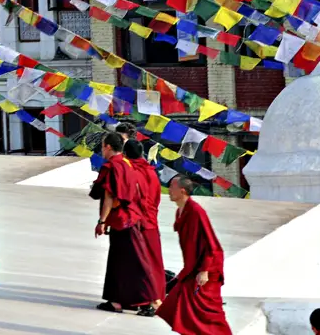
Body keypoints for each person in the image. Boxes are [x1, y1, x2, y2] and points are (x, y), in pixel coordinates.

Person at [90, 132, 159, 315]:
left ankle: (148, 303)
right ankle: (115, 301)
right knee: (117, 261)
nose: (102, 149)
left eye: (103, 145)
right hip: (130, 217)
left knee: (137, 262)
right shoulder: (128, 164)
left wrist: (101, 221)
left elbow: (109, 196)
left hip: (124, 220)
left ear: (108, 147)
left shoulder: (112, 166)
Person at [157, 176, 232, 335]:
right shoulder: (180, 211)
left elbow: (210, 244)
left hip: (208, 266)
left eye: (172, 187)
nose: (169, 190)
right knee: (177, 305)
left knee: (209, 313)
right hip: (193, 266)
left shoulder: (196, 211)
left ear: (182, 191)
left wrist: (204, 270)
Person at [123, 139, 165, 311]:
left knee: (140, 263)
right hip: (152, 221)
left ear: (125, 154)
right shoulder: (151, 171)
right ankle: (155, 298)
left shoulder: (132, 172)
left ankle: (150, 300)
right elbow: (156, 198)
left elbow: (132, 198)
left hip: (138, 223)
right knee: (154, 262)